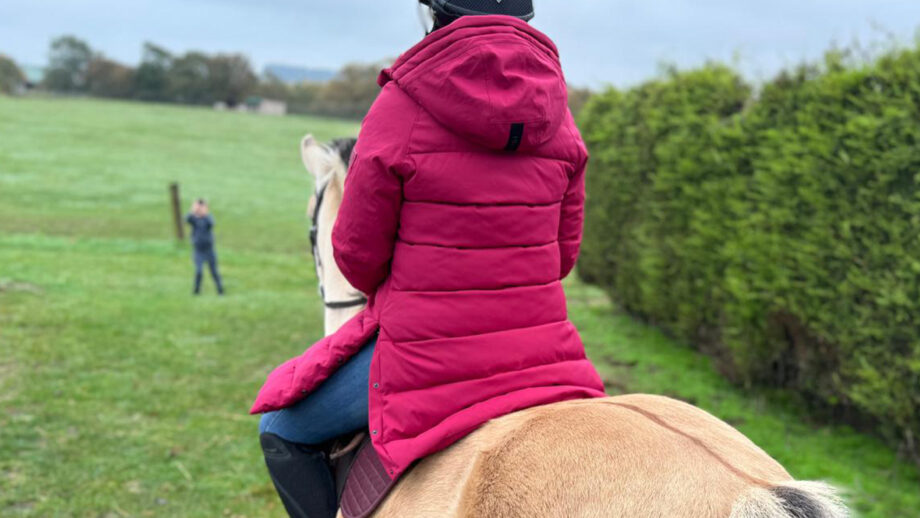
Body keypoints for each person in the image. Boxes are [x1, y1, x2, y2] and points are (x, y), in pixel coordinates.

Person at [251, 2, 606, 517]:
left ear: (433, 10)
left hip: (425, 356)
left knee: (282, 429)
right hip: (541, 353)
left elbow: (354, 255)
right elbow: (561, 256)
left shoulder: (402, 103)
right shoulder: (558, 112)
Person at [186, 199, 224, 295]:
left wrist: (205, 213)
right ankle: (196, 291)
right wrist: (193, 210)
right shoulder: (194, 219)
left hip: (209, 250)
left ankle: (220, 290)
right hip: (198, 251)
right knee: (199, 271)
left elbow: (212, 223)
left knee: (214, 272)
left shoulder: (208, 218)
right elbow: (187, 219)